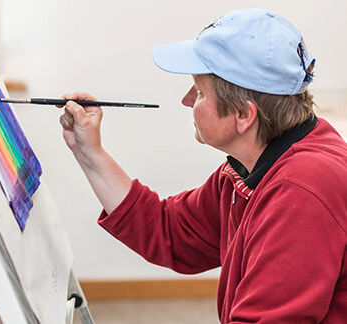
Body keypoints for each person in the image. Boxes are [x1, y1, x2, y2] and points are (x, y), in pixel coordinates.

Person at [59, 8, 347, 324]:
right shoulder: (249, 169)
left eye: (198, 92)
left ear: (243, 115)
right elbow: (170, 230)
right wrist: (89, 152)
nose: (185, 100)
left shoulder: (303, 188)